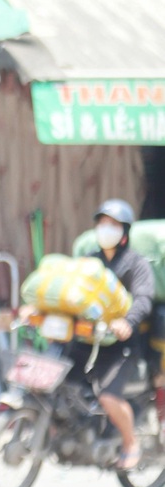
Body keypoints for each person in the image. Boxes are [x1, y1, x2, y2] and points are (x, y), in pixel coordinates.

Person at [77, 199, 154, 470]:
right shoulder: (89, 261)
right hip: (87, 340)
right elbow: (71, 291)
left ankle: (130, 442)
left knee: (108, 396)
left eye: (112, 225)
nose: (105, 229)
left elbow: (144, 298)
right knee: (58, 385)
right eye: (101, 224)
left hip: (121, 346)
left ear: (124, 231)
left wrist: (127, 321)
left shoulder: (136, 264)